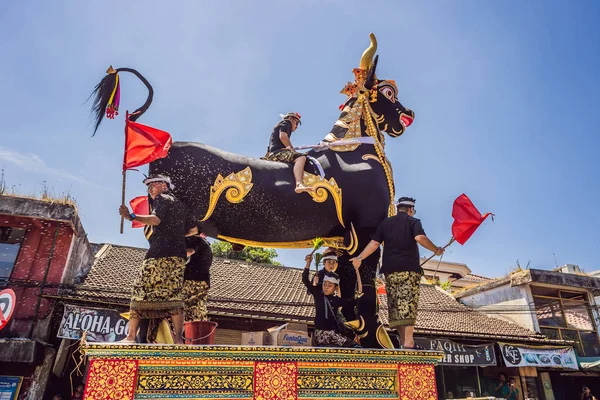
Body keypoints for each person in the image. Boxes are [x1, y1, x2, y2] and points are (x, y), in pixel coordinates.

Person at [350, 197, 444, 349]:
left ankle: (403, 341)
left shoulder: (385, 223)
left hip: (390, 272)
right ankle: (408, 341)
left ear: (397, 209)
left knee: (396, 306)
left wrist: (360, 257)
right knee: (409, 304)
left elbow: (374, 243)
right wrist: (436, 250)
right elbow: (419, 237)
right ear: (411, 210)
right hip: (408, 270)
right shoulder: (414, 221)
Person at [119, 174, 196, 344]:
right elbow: (194, 229)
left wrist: (131, 216)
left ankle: (130, 336)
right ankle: (178, 339)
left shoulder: (162, 198)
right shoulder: (182, 205)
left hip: (158, 254)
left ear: (163, 185)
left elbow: (155, 219)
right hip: (178, 257)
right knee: (174, 294)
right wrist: (174, 233)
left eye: (151, 186)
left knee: (139, 291)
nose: (149, 190)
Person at [303, 252, 362, 347]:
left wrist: (357, 271)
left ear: (335, 287)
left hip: (333, 333)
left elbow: (352, 301)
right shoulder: (319, 293)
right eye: (325, 284)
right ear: (324, 263)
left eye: (329, 285)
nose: (326, 287)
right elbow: (306, 281)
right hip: (322, 334)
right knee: (352, 345)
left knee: (351, 341)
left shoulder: (336, 300)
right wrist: (308, 264)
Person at [263, 112, 313, 193]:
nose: (296, 126)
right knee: (301, 158)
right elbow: (283, 137)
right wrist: (291, 148)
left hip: (273, 155)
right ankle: (299, 184)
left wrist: (265, 159)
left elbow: (269, 150)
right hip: (278, 153)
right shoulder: (287, 123)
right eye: (296, 123)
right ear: (290, 118)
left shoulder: (275, 130)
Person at [182, 231, 213, 323]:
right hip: (203, 281)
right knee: (197, 311)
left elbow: (189, 251)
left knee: (179, 307)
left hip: (191, 280)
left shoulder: (195, 240)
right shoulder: (205, 243)